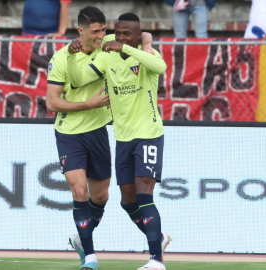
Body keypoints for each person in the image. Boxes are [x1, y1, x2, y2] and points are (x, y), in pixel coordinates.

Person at [67, 12, 169, 270]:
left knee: (144, 195)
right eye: (118, 33)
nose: (120, 37)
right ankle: (158, 238)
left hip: (148, 134)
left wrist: (131, 46)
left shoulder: (146, 58)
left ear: (137, 36)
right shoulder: (107, 55)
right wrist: (71, 54)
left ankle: (156, 260)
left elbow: (162, 67)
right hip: (122, 138)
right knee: (127, 201)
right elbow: (79, 80)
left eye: (127, 34)